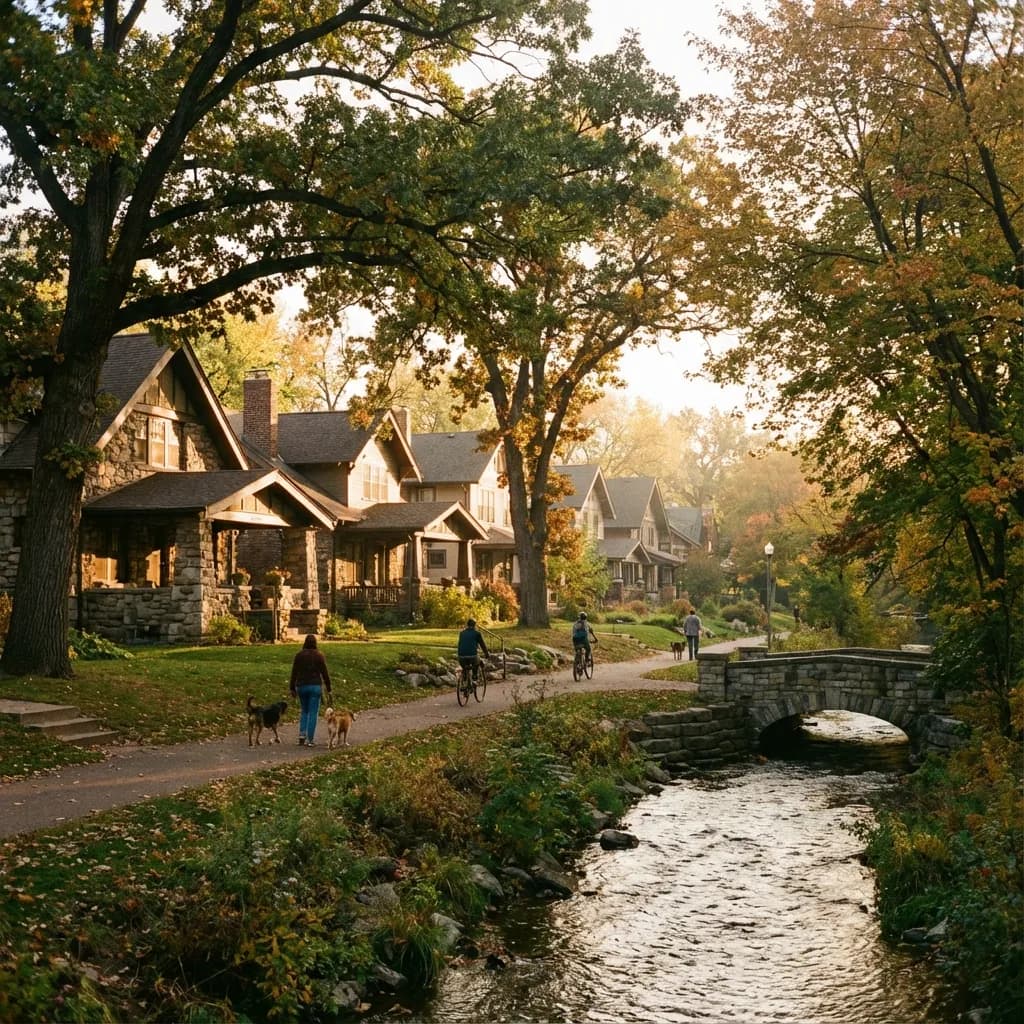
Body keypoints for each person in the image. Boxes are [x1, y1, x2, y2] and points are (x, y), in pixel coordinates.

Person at [290, 634, 332, 747]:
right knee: (313, 712)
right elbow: (325, 673)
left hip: (301, 686)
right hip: (315, 686)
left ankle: (302, 735)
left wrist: (292, 687)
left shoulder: (299, 655)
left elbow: (294, 672)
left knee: (304, 711)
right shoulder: (319, 655)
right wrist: (329, 688)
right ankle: (310, 739)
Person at [457, 618, 489, 683]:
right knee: (477, 662)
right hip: (473, 656)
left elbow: (460, 644)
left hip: (461, 657)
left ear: (467, 625)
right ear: (475, 625)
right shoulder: (477, 633)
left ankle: (464, 678)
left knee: (465, 667)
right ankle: (474, 676)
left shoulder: (462, 633)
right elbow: (482, 645)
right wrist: (486, 654)